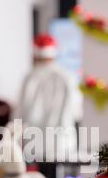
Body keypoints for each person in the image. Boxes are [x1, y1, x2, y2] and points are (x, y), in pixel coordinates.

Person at [19, 33, 83, 161]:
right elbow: (77, 112)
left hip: (34, 144)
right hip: (63, 143)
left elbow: (20, 113)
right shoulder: (68, 77)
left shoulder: (30, 78)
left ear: (35, 54)